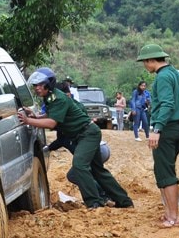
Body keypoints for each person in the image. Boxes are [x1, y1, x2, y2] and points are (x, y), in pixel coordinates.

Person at [17, 67, 133, 210]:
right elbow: (52, 115)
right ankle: (124, 201)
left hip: (87, 134)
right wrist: (35, 117)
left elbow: (52, 122)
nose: (37, 88)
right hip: (85, 134)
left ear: (49, 84)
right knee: (98, 171)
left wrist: (29, 121)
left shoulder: (58, 98)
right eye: (35, 85)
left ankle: (94, 202)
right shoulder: (50, 97)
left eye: (40, 85)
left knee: (79, 165)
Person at [136, 43, 179, 228]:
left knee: (166, 174)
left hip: (167, 129)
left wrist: (157, 129)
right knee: (164, 170)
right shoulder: (178, 74)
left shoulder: (162, 77)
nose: (145, 66)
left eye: (145, 62)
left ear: (152, 60)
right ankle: (169, 213)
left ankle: (173, 218)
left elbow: (167, 104)